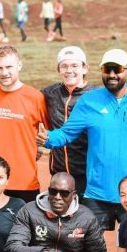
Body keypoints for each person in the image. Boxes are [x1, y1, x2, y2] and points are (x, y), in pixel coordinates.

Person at [40, 49, 127, 233]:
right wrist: (47, 138)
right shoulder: (89, 101)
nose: (111, 75)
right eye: (106, 69)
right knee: (89, 250)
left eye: (117, 69)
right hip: (97, 192)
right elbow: (66, 134)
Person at [0, 45, 48, 202]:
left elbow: (52, 132)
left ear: (19, 65)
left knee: (27, 226)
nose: (4, 72)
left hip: (26, 183)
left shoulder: (35, 97)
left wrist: (38, 147)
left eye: (9, 67)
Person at [42, 46, 94, 195]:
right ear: (58, 69)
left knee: (86, 216)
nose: (69, 70)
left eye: (74, 66)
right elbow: (24, 97)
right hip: (58, 173)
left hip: (87, 175)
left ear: (85, 68)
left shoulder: (96, 96)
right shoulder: (50, 93)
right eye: (64, 66)